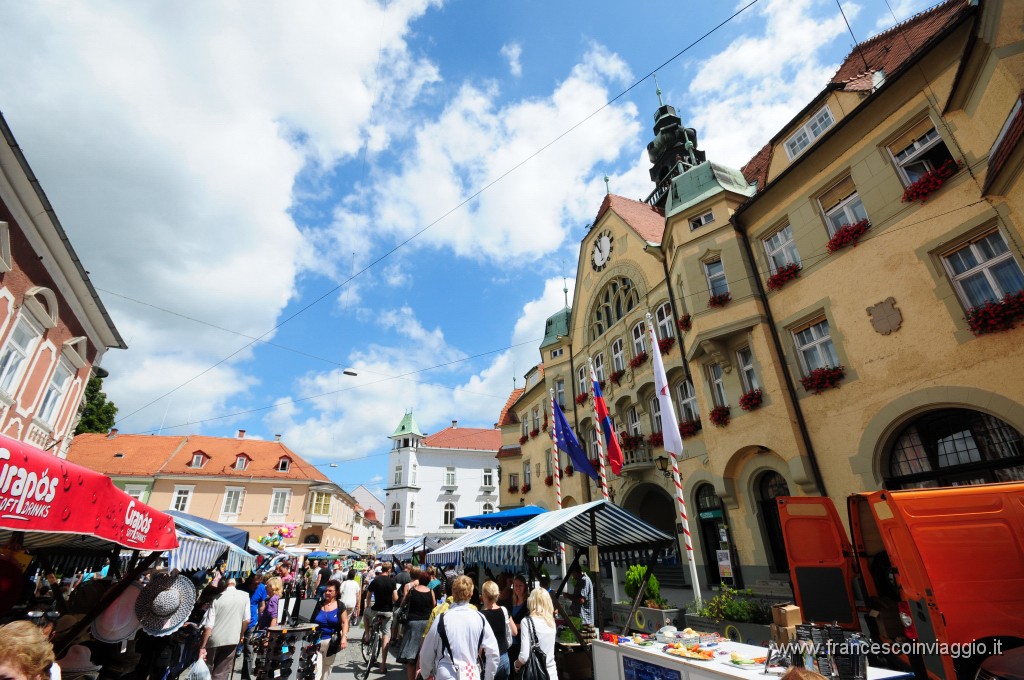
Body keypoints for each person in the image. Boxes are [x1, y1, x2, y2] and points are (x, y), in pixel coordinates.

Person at [419, 576, 498, 680]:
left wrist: (426, 673)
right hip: (470, 674)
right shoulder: (479, 618)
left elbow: (426, 651)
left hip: (446, 673)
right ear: (471, 593)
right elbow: (493, 653)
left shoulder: (442, 619)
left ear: (453, 592)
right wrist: (488, 677)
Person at [200, 577, 251, 680]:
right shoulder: (245, 596)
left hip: (214, 640)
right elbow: (247, 620)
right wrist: (240, 635)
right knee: (221, 674)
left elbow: (209, 626)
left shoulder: (217, 599)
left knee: (206, 671)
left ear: (223, 585)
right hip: (232, 639)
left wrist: (203, 646)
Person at [395, 568, 436, 680]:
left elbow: (403, 604)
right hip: (427, 624)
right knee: (424, 654)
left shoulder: (412, 591)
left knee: (411, 657)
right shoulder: (431, 591)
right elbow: (434, 606)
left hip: (412, 624)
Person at [514, 588, 557, 680]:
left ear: (531, 601)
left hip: (535, 674)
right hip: (552, 673)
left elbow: (524, 656)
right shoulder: (551, 622)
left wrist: (516, 664)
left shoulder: (527, 622)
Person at [363, 562, 398, 674]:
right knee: (386, 635)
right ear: (389, 570)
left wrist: (368, 605)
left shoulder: (375, 581)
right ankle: (383, 665)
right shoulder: (392, 582)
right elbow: (396, 598)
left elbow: (368, 595)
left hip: (375, 610)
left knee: (365, 613)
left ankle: (368, 635)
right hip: (387, 612)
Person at [312, 580, 349, 680]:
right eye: (326, 591)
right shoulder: (318, 605)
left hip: (331, 641)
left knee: (327, 667)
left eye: (330, 591)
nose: (327, 593)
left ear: (336, 592)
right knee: (316, 670)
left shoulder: (340, 606)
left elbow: (345, 622)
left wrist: (343, 638)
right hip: (317, 641)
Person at [480, 581, 516, 680]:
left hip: (488, 659)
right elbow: (515, 631)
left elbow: (479, 643)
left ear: (484, 595)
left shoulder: (480, 615)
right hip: (504, 657)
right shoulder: (504, 610)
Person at [505, 574, 529, 664]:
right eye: (515, 585)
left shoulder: (528, 603)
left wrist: (513, 626)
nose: (518, 588)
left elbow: (529, 623)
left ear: (525, 586)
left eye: (520, 585)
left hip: (521, 643)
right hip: (511, 643)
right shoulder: (511, 601)